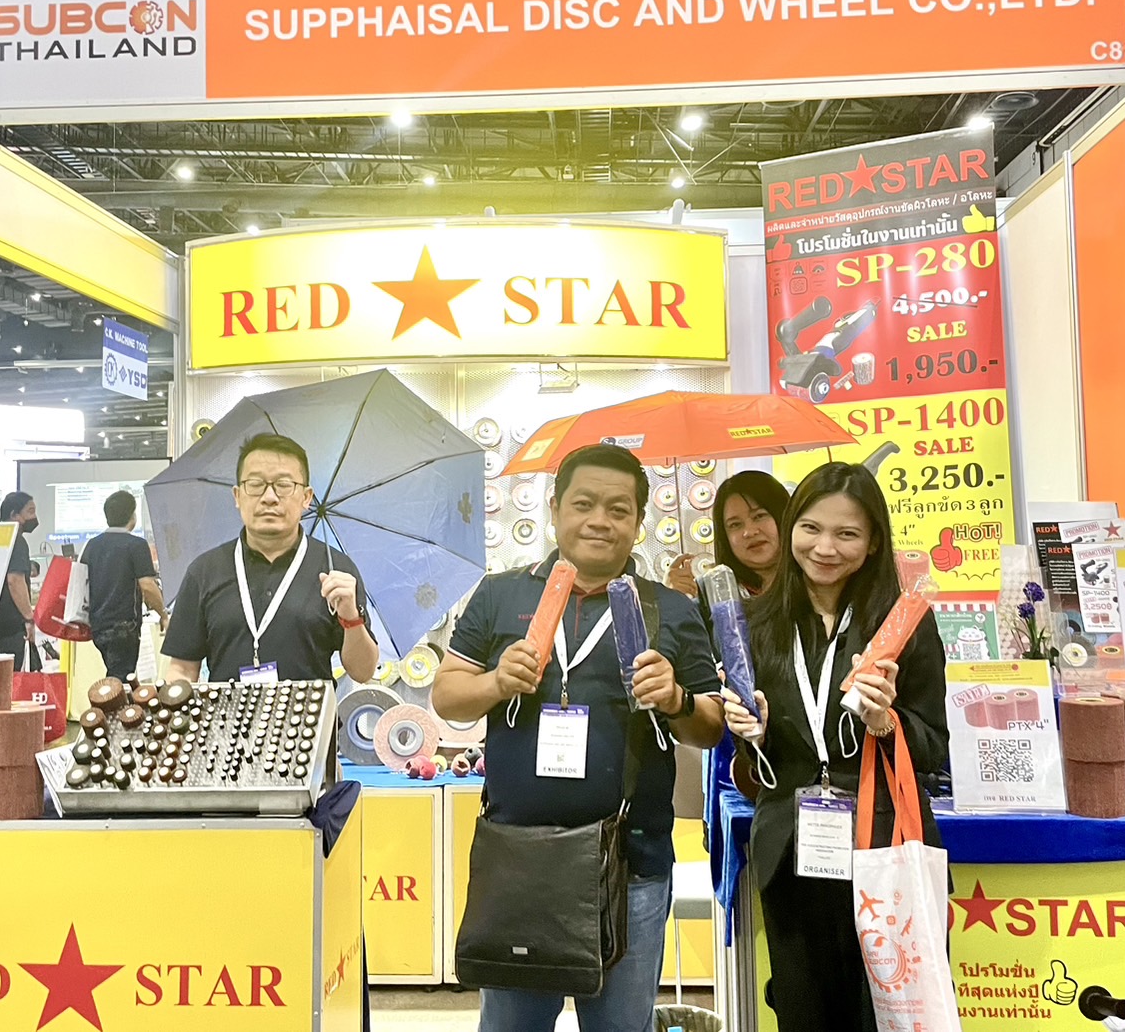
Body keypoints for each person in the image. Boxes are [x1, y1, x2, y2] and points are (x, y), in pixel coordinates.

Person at [432, 442, 725, 1032]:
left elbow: (712, 726)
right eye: (584, 504)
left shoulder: (668, 609)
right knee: (511, 1027)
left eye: (618, 509)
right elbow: (446, 694)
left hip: (631, 864)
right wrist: (495, 682)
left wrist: (675, 699)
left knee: (619, 1026)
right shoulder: (502, 593)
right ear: (555, 509)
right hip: (520, 857)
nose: (599, 521)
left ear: (638, 523)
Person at [722, 461, 948, 1031]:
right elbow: (758, 771)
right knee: (804, 1010)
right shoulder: (754, 624)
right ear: (791, 528)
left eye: (846, 533)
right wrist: (753, 736)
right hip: (792, 850)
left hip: (883, 846)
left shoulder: (903, 623)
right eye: (811, 529)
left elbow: (934, 748)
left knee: (889, 1012)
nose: (825, 548)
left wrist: (884, 722)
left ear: (873, 543)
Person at [161, 433, 378, 683]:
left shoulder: (335, 569)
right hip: (228, 710)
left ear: (306, 497)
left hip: (311, 709)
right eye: (255, 484)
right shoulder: (204, 571)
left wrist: (351, 617)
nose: (269, 497)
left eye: (284, 485)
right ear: (237, 496)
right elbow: (182, 669)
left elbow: (363, 672)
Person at [80, 490, 167, 681]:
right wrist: (163, 614)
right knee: (121, 679)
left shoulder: (91, 545)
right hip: (124, 626)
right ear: (132, 516)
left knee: (116, 674)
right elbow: (147, 586)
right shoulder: (136, 545)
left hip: (98, 625)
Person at [666, 470, 791, 601]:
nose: (749, 532)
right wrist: (670, 600)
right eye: (735, 524)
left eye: (759, 516)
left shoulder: (806, 581)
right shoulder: (709, 596)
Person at [0, 492, 39, 672]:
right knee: (8, 680)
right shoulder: (16, 539)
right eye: (30, 511)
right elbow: (15, 580)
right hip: (9, 628)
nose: (34, 517)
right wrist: (29, 618)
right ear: (14, 514)